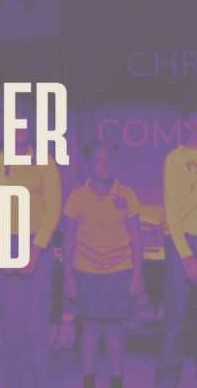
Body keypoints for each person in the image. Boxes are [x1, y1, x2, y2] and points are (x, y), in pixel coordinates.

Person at [0, 108, 62, 388]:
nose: (19, 125)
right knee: (10, 323)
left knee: (36, 323)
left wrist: (35, 252)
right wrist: (0, 251)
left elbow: (54, 209)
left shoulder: (45, 161)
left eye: (22, 120)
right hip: (4, 245)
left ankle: (36, 383)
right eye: (11, 123)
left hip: (38, 244)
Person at [63, 142, 144, 388]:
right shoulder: (77, 196)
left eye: (109, 160)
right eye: (98, 160)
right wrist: (68, 276)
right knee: (90, 326)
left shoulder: (127, 195)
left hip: (119, 269)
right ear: (88, 164)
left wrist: (137, 274)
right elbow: (69, 237)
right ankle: (88, 381)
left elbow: (136, 235)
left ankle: (116, 381)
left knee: (114, 327)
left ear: (116, 163)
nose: (105, 164)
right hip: (86, 270)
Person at [156, 91, 197, 388]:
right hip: (182, 243)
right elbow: (171, 210)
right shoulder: (175, 159)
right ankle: (168, 379)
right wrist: (186, 255)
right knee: (176, 316)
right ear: (187, 123)